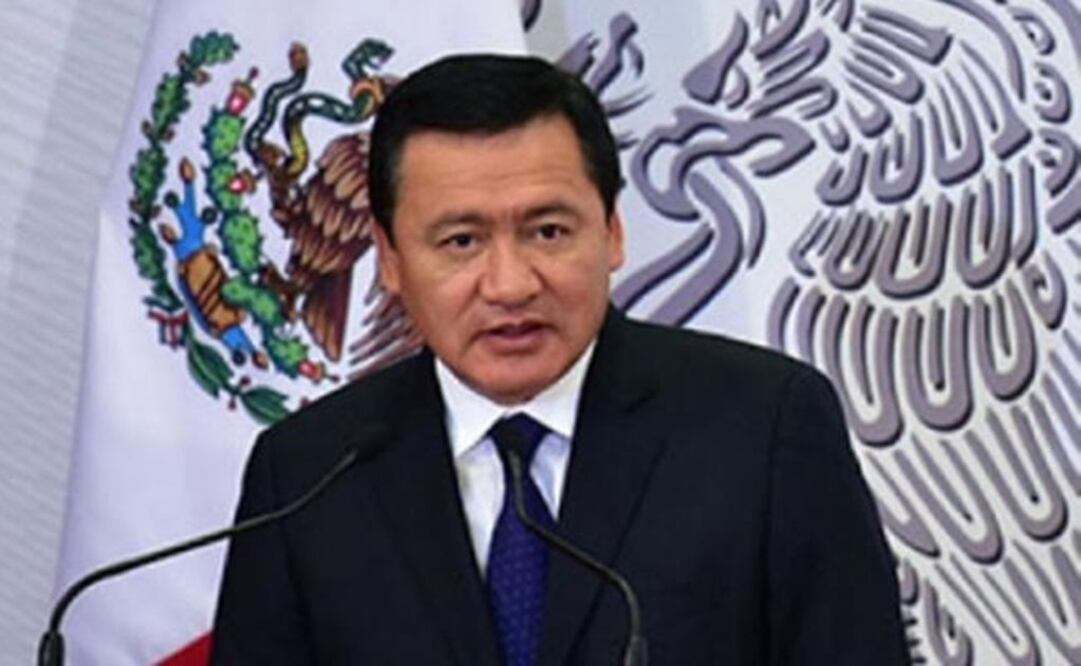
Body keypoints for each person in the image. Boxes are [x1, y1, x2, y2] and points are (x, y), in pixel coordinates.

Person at [211, 53, 909, 665]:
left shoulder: (763, 427)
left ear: (610, 233)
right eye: (460, 242)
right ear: (390, 262)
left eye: (548, 230)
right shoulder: (307, 476)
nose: (511, 284)